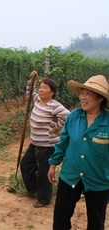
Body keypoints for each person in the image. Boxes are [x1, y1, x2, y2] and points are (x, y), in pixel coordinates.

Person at [48, 75, 109, 230]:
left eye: (88, 94)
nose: (82, 97)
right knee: (61, 218)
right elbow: (63, 142)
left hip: (98, 180)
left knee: (96, 222)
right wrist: (53, 164)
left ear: (100, 98)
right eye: (82, 93)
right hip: (70, 175)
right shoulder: (74, 116)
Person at [20, 70, 70, 208]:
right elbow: (29, 91)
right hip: (34, 143)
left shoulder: (54, 105)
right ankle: (33, 190)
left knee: (43, 172)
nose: (41, 90)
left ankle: (44, 199)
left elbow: (68, 116)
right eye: (40, 87)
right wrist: (31, 79)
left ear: (52, 92)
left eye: (44, 88)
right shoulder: (37, 100)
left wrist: (56, 127)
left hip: (47, 146)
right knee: (25, 165)